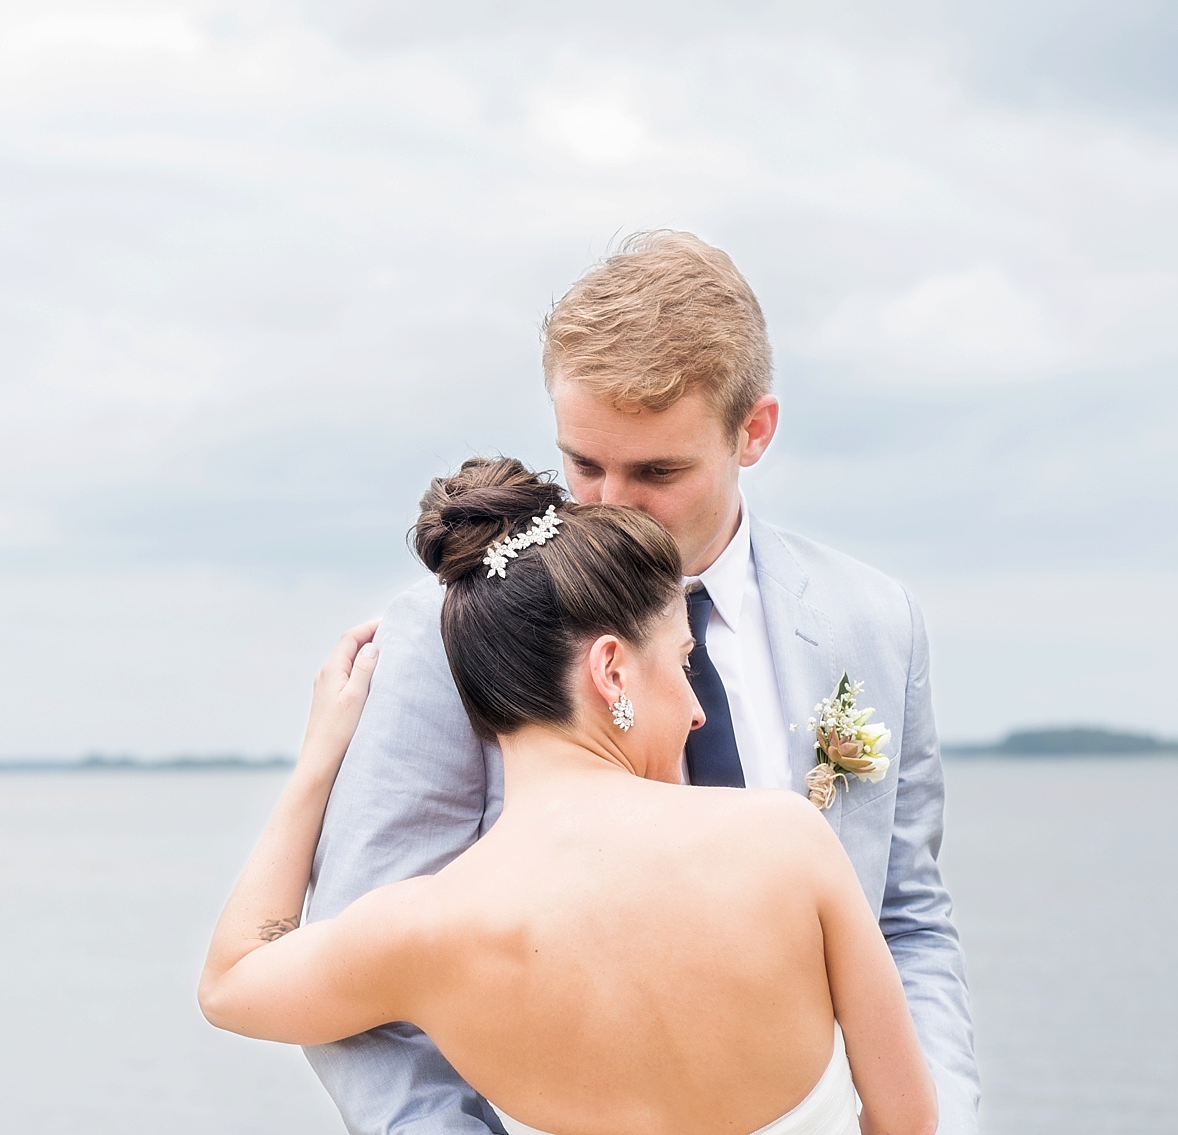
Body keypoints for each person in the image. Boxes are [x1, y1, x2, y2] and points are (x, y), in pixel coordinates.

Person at [306, 232, 976, 1134]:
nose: (608, 503)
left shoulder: (876, 621)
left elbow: (908, 921)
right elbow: (357, 983)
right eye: (584, 463)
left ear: (755, 431)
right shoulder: (446, 635)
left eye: (657, 470)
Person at [199, 458, 938, 1135]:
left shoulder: (419, 931)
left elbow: (229, 981)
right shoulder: (787, 841)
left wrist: (317, 759)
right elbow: (907, 1120)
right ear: (611, 669)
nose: (695, 709)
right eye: (681, 661)